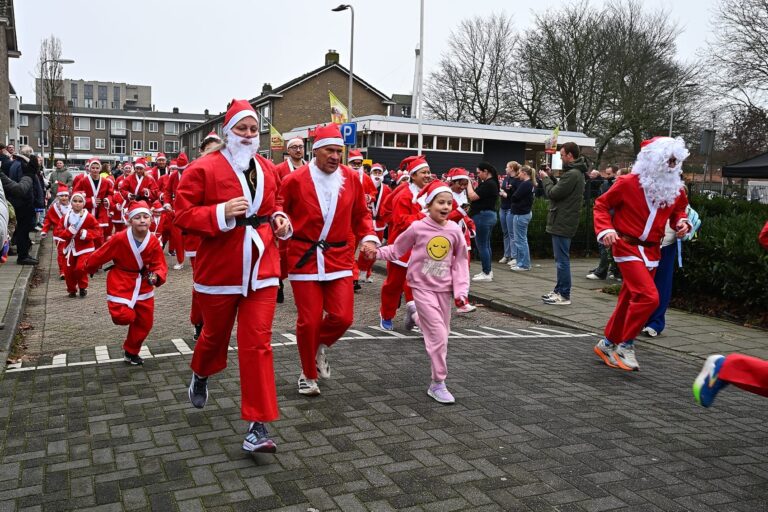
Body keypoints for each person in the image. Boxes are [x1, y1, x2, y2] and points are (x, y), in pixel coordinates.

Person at [174, 99, 290, 454]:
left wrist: (281, 220)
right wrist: (220, 212)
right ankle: (201, 372)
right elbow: (182, 215)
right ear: (228, 132)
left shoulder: (267, 168)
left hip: (262, 268)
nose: (249, 134)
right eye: (242, 128)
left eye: (254, 129)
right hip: (220, 270)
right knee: (214, 337)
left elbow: (275, 204)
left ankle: (258, 425)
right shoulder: (203, 168)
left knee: (258, 344)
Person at [280, 123, 378, 396]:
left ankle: (318, 346)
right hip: (305, 258)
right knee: (309, 321)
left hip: (338, 257)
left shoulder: (351, 178)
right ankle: (307, 374)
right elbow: (278, 210)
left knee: (343, 317)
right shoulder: (295, 180)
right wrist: (281, 225)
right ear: (316, 151)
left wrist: (369, 237)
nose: (336, 156)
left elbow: (361, 214)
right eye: (330, 151)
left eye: (339, 151)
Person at [593, 136, 691, 371]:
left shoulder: (675, 189)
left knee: (628, 299)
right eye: (668, 160)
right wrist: (606, 229)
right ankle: (626, 344)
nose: (672, 165)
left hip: (653, 250)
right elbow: (602, 204)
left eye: (675, 161)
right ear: (654, 159)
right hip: (626, 246)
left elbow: (679, 211)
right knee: (649, 297)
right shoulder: (628, 182)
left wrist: (682, 223)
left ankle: (607, 343)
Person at [376, 181, 469, 404]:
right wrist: (374, 253)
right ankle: (438, 383)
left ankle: (414, 314)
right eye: (440, 202)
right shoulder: (418, 227)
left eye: (449, 203)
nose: (445, 207)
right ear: (429, 204)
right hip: (421, 287)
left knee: (443, 333)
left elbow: (460, 263)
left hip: (443, 291)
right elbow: (396, 249)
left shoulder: (454, 230)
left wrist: (461, 292)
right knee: (438, 336)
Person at [84, 201, 168, 365]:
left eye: (145, 217)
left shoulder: (153, 241)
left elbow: (159, 263)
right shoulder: (119, 238)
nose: (142, 220)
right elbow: (101, 253)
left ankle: (131, 351)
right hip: (121, 280)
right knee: (123, 316)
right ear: (130, 220)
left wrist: (157, 276)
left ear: (150, 219)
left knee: (145, 323)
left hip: (144, 283)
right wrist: (89, 267)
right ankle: (126, 317)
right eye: (137, 217)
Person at [379, 156, 432, 331]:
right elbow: (400, 221)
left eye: (428, 172)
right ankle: (387, 314)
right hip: (402, 248)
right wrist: (423, 216)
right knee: (394, 285)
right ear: (413, 175)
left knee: (419, 286)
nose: (427, 175)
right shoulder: (404, 195)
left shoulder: (431, 193)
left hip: (422, 248)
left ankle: (417, 316)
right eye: (423, 172)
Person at [538, 143, 586, 305]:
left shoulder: (572, 174)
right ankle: (559, 290)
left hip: (562, 221)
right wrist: (551, 177)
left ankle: (564, 294)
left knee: (562, 260)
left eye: (562, 155)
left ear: (570, 155)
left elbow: (553, 193)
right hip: (564, 220)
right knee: (560, 259)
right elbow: (562, 190)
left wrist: (545, 179)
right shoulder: (575, 173)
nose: (561, 158)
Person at [274, 138, 306, 301]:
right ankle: (278, 281)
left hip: (304, 217)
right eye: (294, 147)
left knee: (303, 252)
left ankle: (302, 287)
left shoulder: (310, 168)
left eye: (301, 147)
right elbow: (274, 192)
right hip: (285, 216)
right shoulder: (279, 169)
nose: (298, 150)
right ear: (288, 150)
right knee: (283, 253)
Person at [54, 191, 101, 297]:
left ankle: (83, 287)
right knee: (68, 271)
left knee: (80, 268)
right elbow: (58, 231)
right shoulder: (66, 217)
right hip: (70, 248)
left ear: (83, 203)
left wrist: (86, 233)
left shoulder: (89, 217)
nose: (77, 203)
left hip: (85, 247)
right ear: (71, 202)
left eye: (80, 201)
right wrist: (69, 231)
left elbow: (98, 231)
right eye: (75, 201)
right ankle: (71, 290)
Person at [347, 149, 377, 292]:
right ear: (349, 163)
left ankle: (355, 275)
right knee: (350, 250)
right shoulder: (343, 175)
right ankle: (353, 278)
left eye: (359, 163)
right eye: (354, 163)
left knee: (360, 249)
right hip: (347, 219)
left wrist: (368, 197)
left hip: (361, 219)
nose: (357, 165)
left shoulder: (366, 178)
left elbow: (373, 193)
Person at [356, 163, 391, 283]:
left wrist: (386, 218)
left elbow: (388, 205)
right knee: (365, 248)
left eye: (379, 172)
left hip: (380, 224)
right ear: (370, 174)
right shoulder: (365, 186)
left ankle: (367, 272)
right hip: (366, 222)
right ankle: (361, 271)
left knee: (375, 250)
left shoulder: (386, 189)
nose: (377, 175)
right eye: (375, 172)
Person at [587, 165, 621, 281]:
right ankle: (611, 270)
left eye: (610, 174)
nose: (607, 176)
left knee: (607, 246)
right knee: (607, 246)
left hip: (613, 218)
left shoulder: (614, 185)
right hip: (609, 218)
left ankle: (605, 271)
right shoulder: (606, 184)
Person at [467, 161, 500, 282]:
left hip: (482, 216)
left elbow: (472, 196)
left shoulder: (489, 184)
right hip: (487, 216)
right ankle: (487, 271)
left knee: (482, 245)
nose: (478, 175)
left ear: (486, 171)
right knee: (486, 244)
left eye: (479, 172)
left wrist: (468, 183)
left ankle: (486, 272)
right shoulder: (491, 183)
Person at [72, 158, 113, 247]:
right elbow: (75, 194)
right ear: (89, 168)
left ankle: (98, 252)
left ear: (100, 169)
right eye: (93, 168)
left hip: (101, 211)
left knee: (99, 234)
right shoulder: (83, 181)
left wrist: (107, 200)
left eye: (97, 168)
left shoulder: (105, 181)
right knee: (87, 233)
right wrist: (90, 201)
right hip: (87, 211)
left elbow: (110, 194)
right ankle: (88, 250)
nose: (95, 170)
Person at [40, 184, 72, 279]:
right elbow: (48, 219)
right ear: (58, 196)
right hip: (59, 234)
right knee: (61, 252)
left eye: (66, 196)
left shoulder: (73, 206)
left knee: (70, 252)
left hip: (71, 234)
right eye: (61, 196)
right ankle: (62, 271)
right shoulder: (53, 208)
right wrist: (44, 230)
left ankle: (70, 268)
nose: (64, 198)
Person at [509, 165, 536, 271]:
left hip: (521, 214)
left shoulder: (525, 184)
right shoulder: (530, 184)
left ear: (524, 173)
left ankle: (524, 264)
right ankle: (521, 263)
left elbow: (515, 197)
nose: (518, 174)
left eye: (519, 172)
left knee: (520, 240)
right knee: (521, 239)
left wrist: (511, 193)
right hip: (524, 213)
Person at [498, 161, 520, 265]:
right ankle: (506, 255)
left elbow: (516, 195)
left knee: (512, 233)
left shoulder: (517, 180)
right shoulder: (506, 178)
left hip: (511, 208)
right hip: (503, 207)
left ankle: (514, 256)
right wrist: (501, 192)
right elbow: (503, 189)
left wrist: (506, 195)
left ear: (511, 168)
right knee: (505, 232)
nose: (505, 168)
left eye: (507, 167)